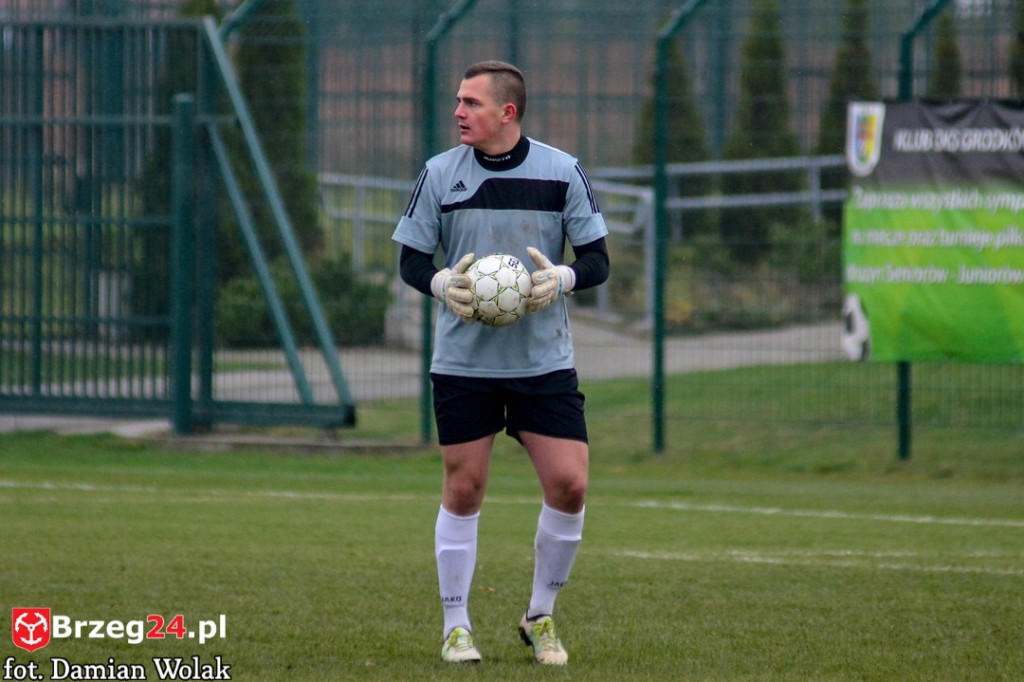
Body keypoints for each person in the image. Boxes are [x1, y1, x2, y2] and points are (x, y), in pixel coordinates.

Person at [392, 60, 610, 666]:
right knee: (464, 488)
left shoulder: (563, 172)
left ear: (506, 113)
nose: (458, 111)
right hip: (463, 363)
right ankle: (456, 625)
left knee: (570, 484)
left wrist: (562, 276)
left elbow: (597, 259)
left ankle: (540, 615)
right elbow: (411, 259)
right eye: (458, 101)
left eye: (470, 103)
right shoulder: (438, 173)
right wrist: (439, 284)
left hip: (544, 362)